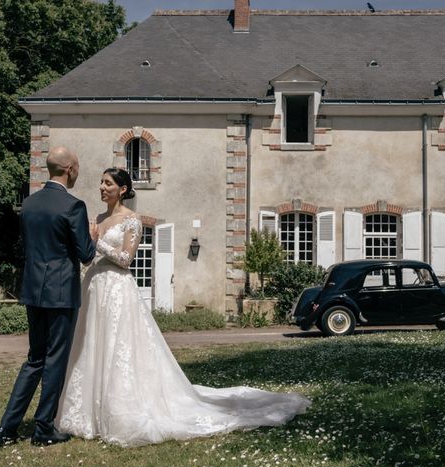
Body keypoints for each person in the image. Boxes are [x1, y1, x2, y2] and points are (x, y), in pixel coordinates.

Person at [56, 167, 310, 447]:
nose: (102, 188)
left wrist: (98, 242)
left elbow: (126, 259)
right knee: (91, 345)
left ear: (123, 189)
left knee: (118, 347)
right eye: (101, 183)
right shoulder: (98, 218)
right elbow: (88, 257)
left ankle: (119, 410)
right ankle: (88, 413)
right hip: (94, 286)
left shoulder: (132, 220)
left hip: (118, 289)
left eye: (107, 183)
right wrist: (88, 247)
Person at [0, 146, 98, 447]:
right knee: (55, 359)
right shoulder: (73, 206)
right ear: (68, 169)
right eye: (77, 167)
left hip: (33, 289)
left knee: (34, 358)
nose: (78, 171)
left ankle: (6, 429)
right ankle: (43, 428)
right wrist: (92, 237)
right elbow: (86, 255)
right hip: (62, 292)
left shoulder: (29, 204)